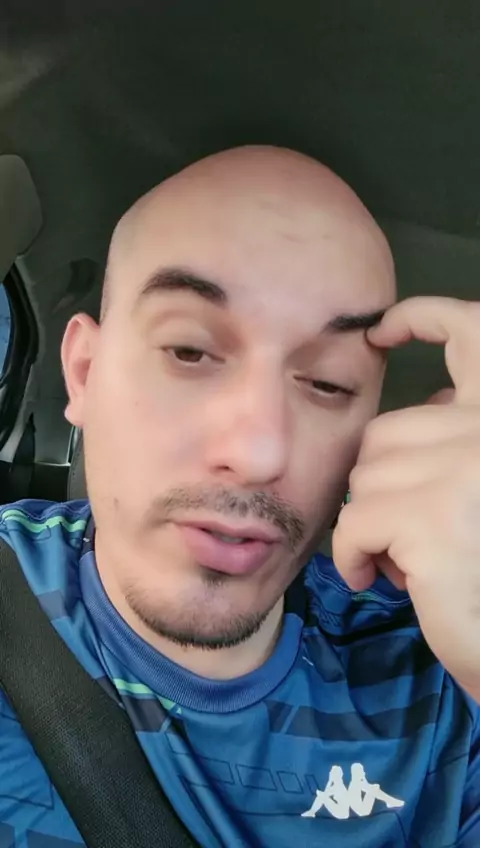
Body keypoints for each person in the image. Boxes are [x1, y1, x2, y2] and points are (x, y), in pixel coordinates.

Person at [0, 145, 479, 847]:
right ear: (84, 373)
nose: (259, 454)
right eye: (189, 351)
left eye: (328, 384)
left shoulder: (438, 673)